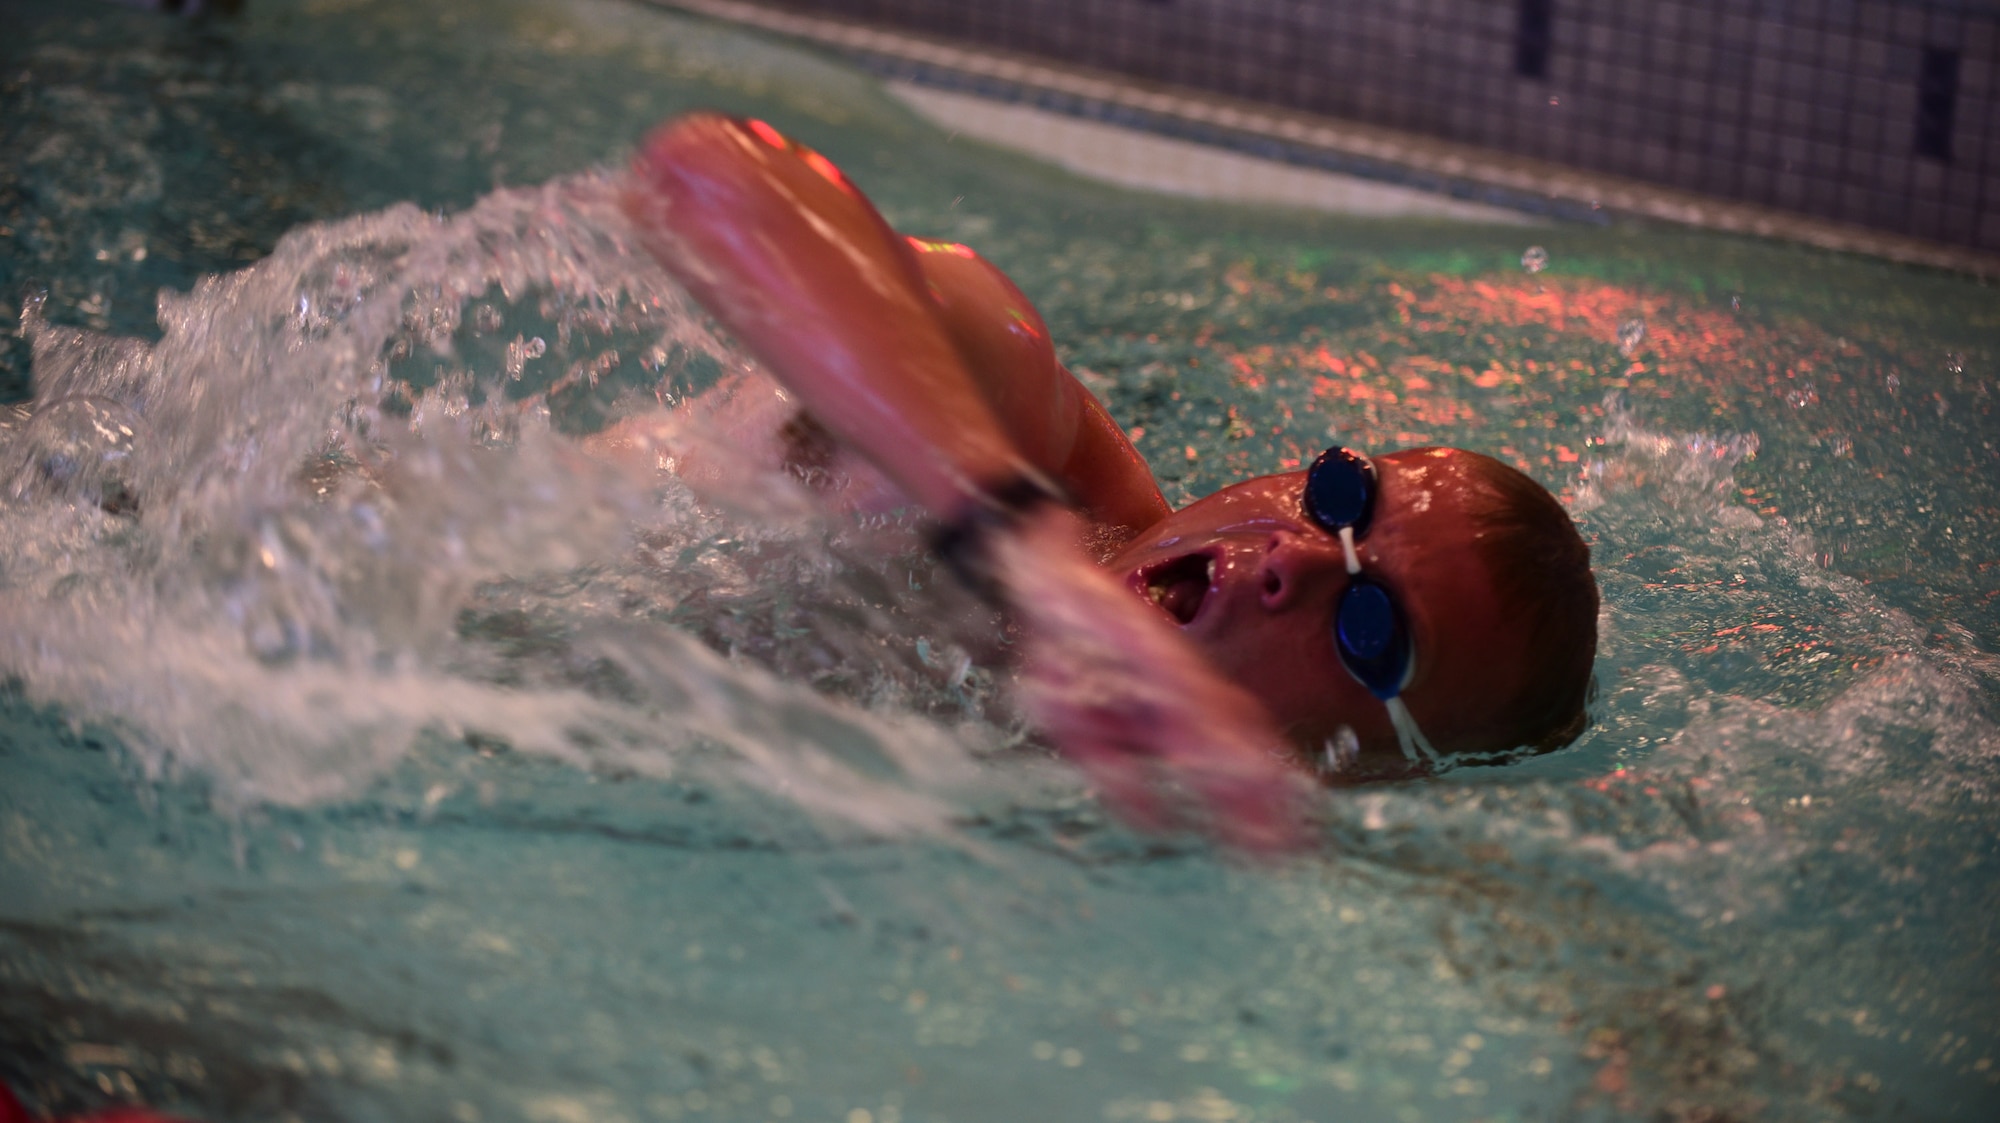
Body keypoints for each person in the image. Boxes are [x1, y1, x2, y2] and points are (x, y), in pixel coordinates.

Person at [612, 113, 1598, 848]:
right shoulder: (1012, 424)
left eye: (1368, 629)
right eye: (1340, 496)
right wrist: (1019, 541)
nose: (1292, 558)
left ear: (1371, 774)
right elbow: (701, 175)